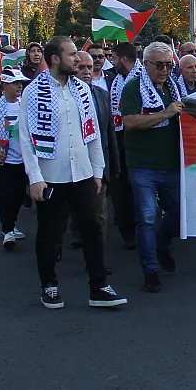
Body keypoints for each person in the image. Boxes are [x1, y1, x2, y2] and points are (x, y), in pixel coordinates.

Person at [19, 35, 124, 310]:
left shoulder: (81, 89)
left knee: (92, 227)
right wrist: (35, 177)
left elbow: (92, 134)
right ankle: (49, 286)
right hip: (50, 175)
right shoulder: (33, 91)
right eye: (72, 55)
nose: (78, 59)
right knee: (50, 232)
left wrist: (98, 171)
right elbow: (26, 137)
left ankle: (99, 286)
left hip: (83, 174)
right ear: (55, 59)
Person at [121, 42, 185, 293]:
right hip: (143, 165)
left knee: (178, 213)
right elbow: (130, 122)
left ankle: (161, 245)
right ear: (145, 64)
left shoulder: (174, 87)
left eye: (170, 64)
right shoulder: (133, 88)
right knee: (147, 218)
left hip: (171, 163)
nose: (165, 69)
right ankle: (150, 270)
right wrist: (165, 114)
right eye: (160, 65)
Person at [0, 68, 30, 251]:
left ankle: (13, 223)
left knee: (19, 196)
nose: (19, 87)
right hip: (3, 160)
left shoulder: (24, 104)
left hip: (22, 160)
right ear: (5, 85)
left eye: (21, 84)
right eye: (16, 83)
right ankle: (7, 230)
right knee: (5, 196)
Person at [73, 50, 115, 251]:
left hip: (97, 167)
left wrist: (112, 166)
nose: (86, 71)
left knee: (99, 216)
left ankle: (98, 260)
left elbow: (109, 133)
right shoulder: (63, 97)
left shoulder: (102, 95)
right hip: (69, 168)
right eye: (81, 67)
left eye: (89, 67)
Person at [106, 42, 140, 248]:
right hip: (119, 138)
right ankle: (127, 229)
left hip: (139, 138)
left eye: (114, 58)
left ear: (124, 60)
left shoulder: (143, 78)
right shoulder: (116, 80)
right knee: (121, 186)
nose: (112, 62)